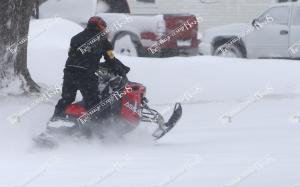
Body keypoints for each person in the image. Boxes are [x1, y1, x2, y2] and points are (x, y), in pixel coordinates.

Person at [51, 16, 130, 121]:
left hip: (69, 72)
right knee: (93, 104)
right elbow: (111, 59)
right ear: (101, 27)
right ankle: (95, 131)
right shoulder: (103, 41)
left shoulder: (75, 38)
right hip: (86, 75)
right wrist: (121, 69)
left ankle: (55, 121)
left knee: (66, 99)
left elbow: (71, 54)